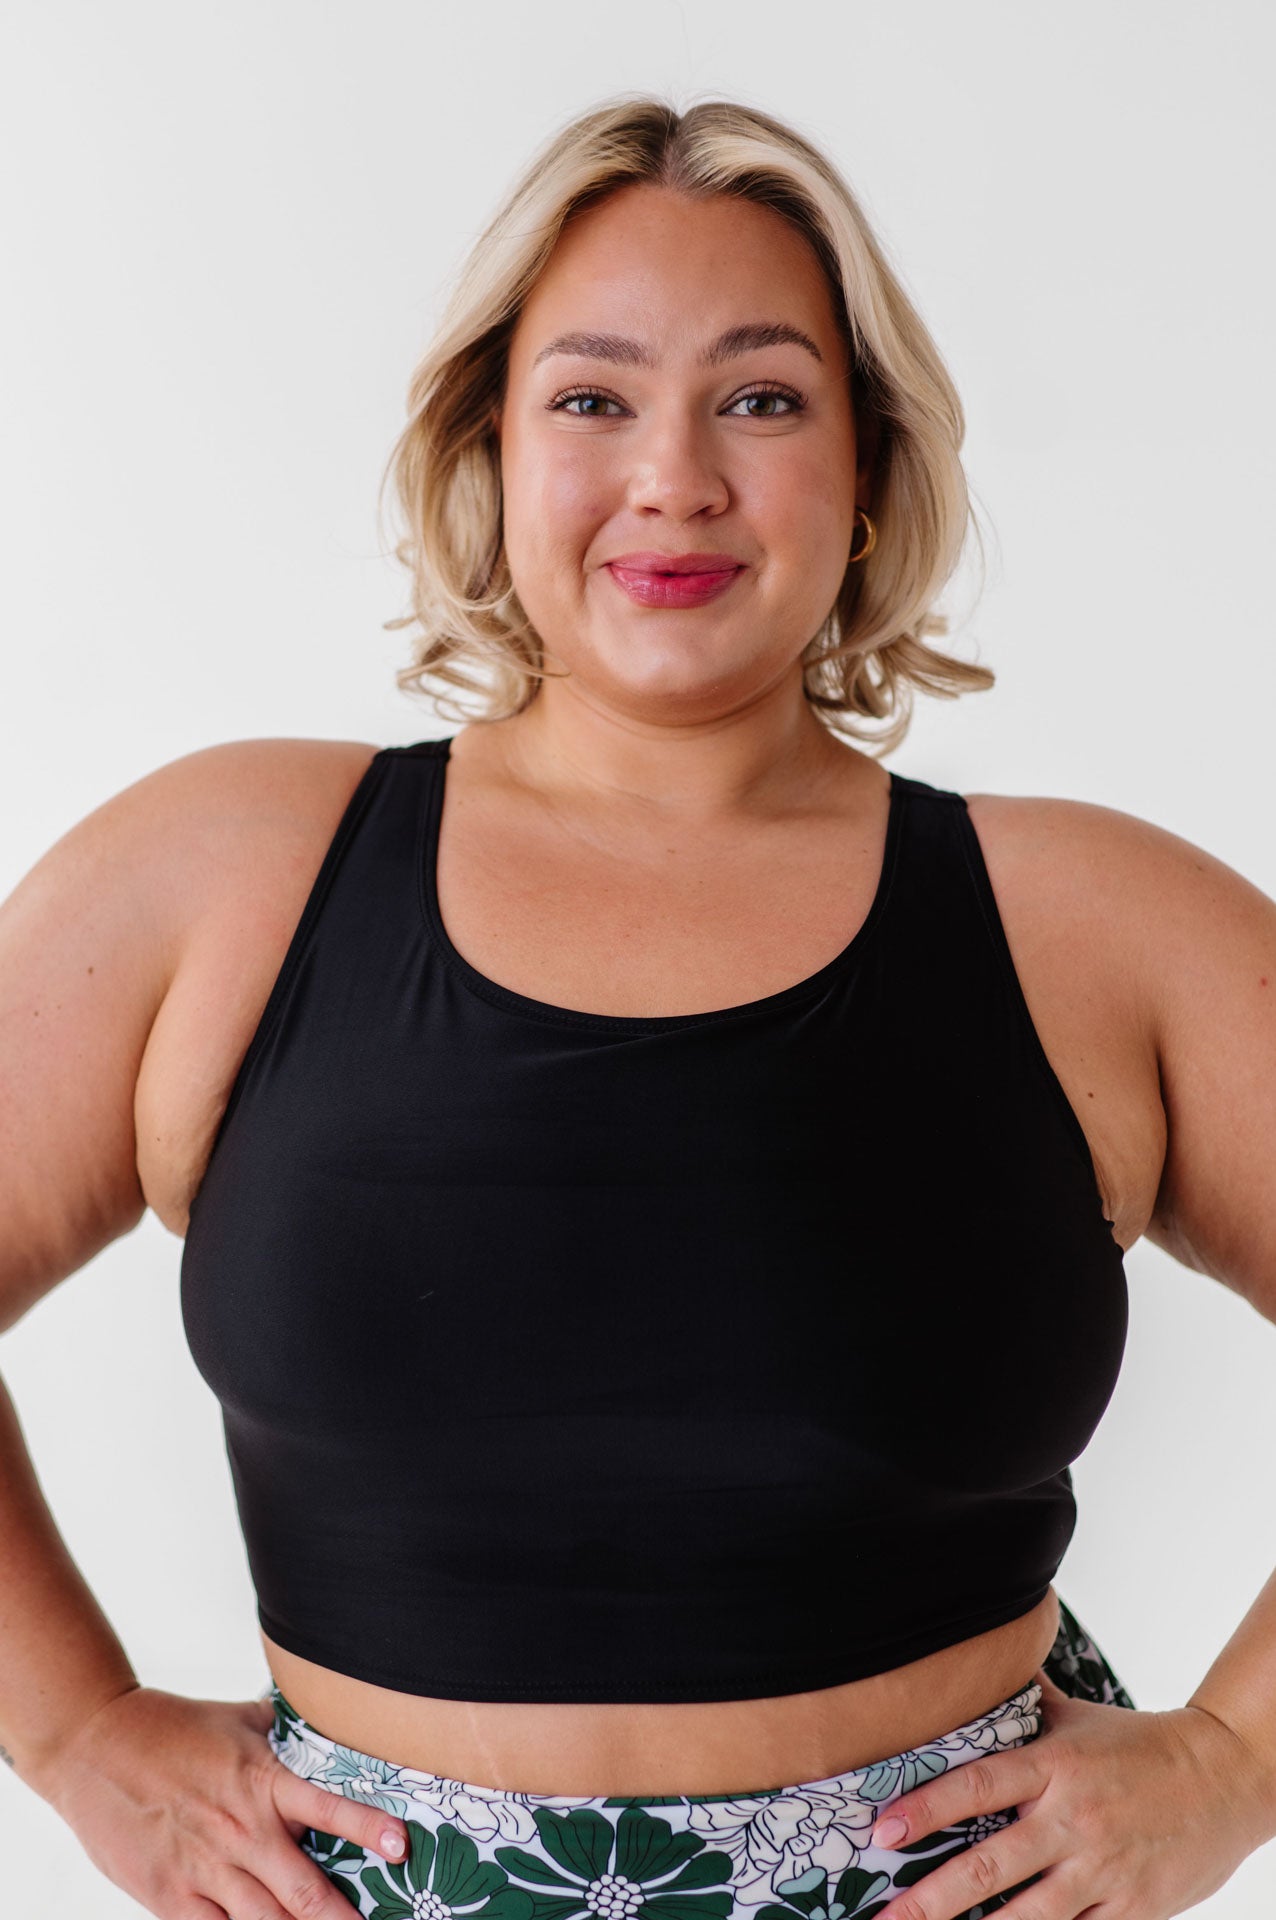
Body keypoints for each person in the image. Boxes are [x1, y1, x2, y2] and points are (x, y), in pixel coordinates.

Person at [2, 90, 1275, 1920]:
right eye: (592, 400)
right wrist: (73, 1734)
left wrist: (1235, 1767)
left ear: (870, 465)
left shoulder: (1093, 924)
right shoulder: (225, 878)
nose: (674, 478)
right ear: (489, 446)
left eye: (763, 398)